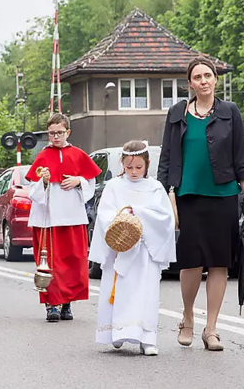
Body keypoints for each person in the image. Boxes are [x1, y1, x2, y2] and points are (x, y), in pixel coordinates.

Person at [158, 56, 244, 352]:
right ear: (190, 84)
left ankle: (211, 328)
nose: (203, 80)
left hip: (223, 196)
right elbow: (166, 157)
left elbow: (242, 157)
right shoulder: (177, 114)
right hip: (188, 196)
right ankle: (187, 317)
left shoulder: (229, 112)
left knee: (219, 262)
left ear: (215, 79)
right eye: (197, 77)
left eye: (208, 75)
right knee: (190, 262)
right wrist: (164, 195)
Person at [89, 141, 176, 356]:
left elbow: (165, 217)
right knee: (119, 292)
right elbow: (105, 214)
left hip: (146, 250)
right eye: (129, 167)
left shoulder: (155, 187)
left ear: (147, 164)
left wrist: (137, 212)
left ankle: (147, 337)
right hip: (121, 248)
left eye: (139, 167)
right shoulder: (114, 186)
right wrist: (122, 221)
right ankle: (117, 332)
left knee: (145, 293)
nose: (134, 172)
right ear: (122, 164)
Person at [26, 113, 101, 322]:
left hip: (72, 218)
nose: (55, 137)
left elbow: (90, 186)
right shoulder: (42, 157)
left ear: (67, 132)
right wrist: (44, 182)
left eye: (59, 133)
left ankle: (67, 303)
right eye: (51, 133)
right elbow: (33, 192)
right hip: (47, 221)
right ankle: (52, 305)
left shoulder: (78, 155)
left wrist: (79, 180)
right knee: (50, 263)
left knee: (71, 263)